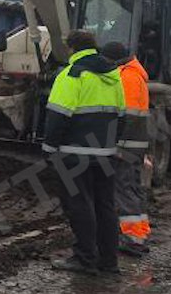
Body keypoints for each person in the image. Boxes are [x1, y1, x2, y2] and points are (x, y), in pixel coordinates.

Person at [43, 29, 125, 276]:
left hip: (73, 153)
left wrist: (49, 148)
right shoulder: (114, 76)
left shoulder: (71, 75)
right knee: (105, 205)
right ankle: (109, 261)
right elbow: (121, 117)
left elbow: (57, 117)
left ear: (71, 49)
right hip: (106, 153)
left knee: (79, 205)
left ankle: (85, 258)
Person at [102, 40, 152, 257]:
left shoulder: (128, 77)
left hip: (126, 146)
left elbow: (127, 116)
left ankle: (132, 240)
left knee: (124, 190)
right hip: (133, 145)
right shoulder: (133, 74)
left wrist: (114, 143)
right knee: (131, 189)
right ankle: (138, 234)